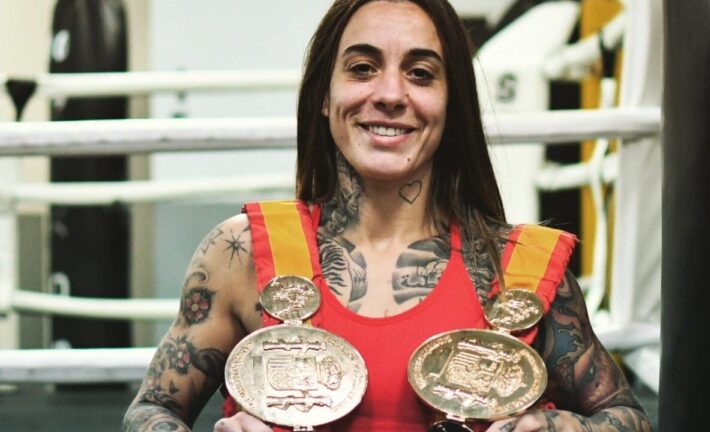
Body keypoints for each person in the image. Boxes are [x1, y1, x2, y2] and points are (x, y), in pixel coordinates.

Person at [123, 1, 653, 431]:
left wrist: (559, 431)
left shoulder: (522, 271)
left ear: (451, 104)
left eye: (421, 74)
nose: (391, 94)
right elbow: (150, 412)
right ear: (325, 98)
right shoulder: (240, 253)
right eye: (361, 68)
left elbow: (627, 417)